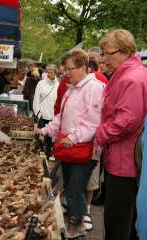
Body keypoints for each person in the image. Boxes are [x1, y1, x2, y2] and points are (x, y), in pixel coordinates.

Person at [36, 49, 104, 238]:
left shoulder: (95, 89)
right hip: (69, 150)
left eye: (70, 69)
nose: (66, 73)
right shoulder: (71, 89)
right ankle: (77, 227)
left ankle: (76, 231)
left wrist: (73, 137)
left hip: (84, 150)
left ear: (83, 68)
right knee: (72, 191)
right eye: (65, 69)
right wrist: (45, 130)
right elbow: (61, 117)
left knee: (74, 191)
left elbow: (93, 122)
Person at [94, 29, 147, 240]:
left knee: (118, 222)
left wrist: (100, 134)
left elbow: (126, 121)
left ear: (124, 52)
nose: (104, 58)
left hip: (123, 163)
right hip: (121, 158)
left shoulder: (131, 78)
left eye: (107, 53)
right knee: (125, 220)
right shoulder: (130, 74)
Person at [33, 64, 59, 160]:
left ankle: (50, 153)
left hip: (52, 114)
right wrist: (38, 113)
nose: (50, 74)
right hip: (42, 113)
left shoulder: (58, 84)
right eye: (48, 72)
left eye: (52, 72)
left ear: (55, 73)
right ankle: (40, 151)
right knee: (40, 134)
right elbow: (36, 98)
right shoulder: (41, 83)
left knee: (51, 135)